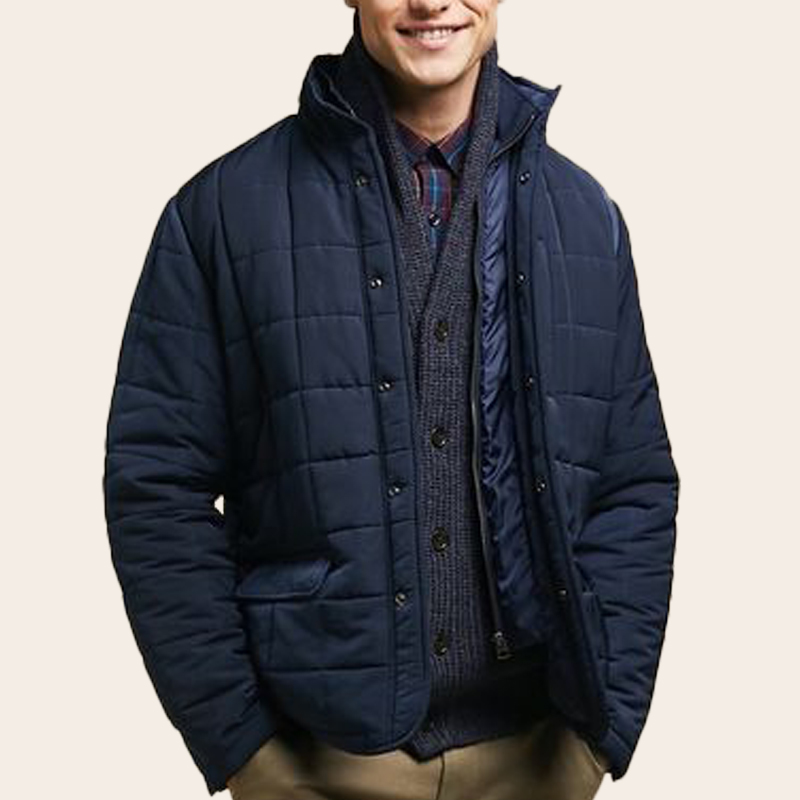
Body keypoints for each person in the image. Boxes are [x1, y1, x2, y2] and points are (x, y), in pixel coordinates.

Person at [102, 1, 680, 798]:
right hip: (320, 758)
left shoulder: (584, 218)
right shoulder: (223, 214)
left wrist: (595, 741)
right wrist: (244, 752)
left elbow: (633, 486)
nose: (432, 1)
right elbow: (156, 487)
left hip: (541, 757)